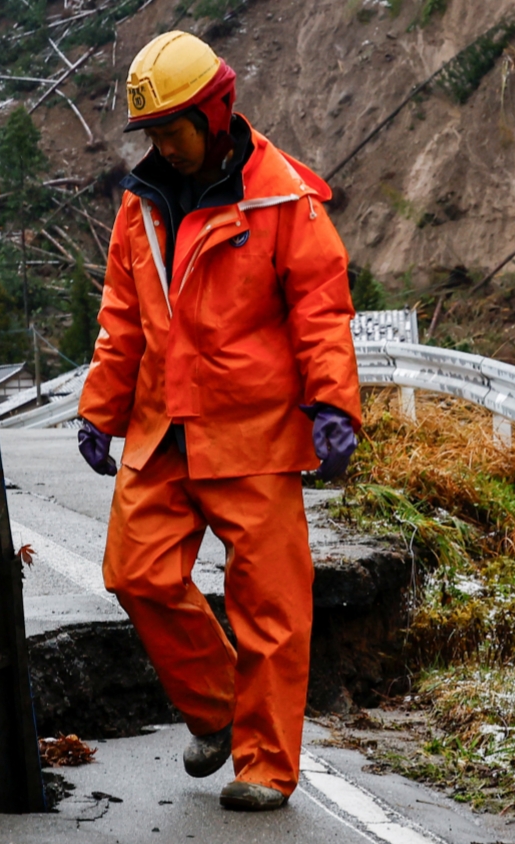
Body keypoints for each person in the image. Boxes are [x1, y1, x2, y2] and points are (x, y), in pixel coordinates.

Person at [76, 31, 362, 811]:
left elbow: (322, 310)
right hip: (162, 428)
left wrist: (334, 401)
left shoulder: (281, 197)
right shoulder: (141, 207)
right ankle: (219, 711)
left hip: (254, 433)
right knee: (135, 574)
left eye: (173, 128)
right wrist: (100, 409)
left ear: (215, 111)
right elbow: (121, 321)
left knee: (269, 601)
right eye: (153, 133)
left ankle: (266, 764)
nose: (163, 145)